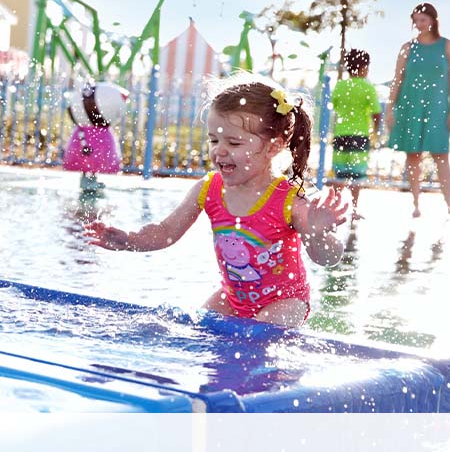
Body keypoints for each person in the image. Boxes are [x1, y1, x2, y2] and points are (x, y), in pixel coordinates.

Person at [84, 75, 349, 328]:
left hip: (286, 302)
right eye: (213, 139)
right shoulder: (209, 189)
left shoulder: (287, 200)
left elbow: (328, 258)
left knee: (257, 335)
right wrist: (128, 240)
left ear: (272, 147)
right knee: (203, 327)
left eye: (233, 142)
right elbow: (166, 232)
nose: (219, 150)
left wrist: (317, 232)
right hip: (233, 299)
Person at [386, 2, 450, 218]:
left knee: (441, 155)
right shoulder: (407, 48)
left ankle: (449, 204)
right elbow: (397, 79)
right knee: (413, 156)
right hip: (410, 105)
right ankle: (416, 203)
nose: (419, 25)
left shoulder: (448, 46)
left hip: (438, 107)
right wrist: (391, 108)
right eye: (416, 21)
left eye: (423, 20)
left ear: (433, 20)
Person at [331, 48, 382, 219]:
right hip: (359, 135)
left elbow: (336, 106)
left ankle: (334, 208)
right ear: (364, 67)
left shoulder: (340, 85)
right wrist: (376, 130)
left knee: (340, 174)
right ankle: (354, 209)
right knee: (357, 174)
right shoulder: (367, 87)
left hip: (341, 134)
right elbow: (376, 112)